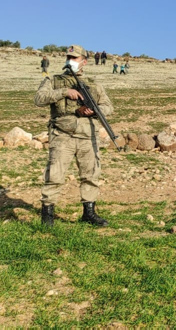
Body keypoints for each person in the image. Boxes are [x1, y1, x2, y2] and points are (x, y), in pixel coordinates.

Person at [34, 44, 113, 227]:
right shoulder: (53, 81)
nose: (70, 61)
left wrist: (94, 111)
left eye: (75, 58)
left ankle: (89, 213)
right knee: (55, 175)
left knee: (90, 175)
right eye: (68, 57)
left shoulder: (93, 84)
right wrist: (64, 92)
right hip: (62, 135)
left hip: (87, 136)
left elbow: (109, 107)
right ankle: (47, 216)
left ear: (84, 62)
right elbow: (39, 99)